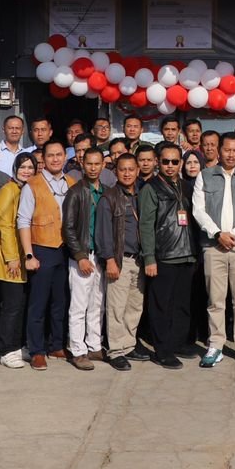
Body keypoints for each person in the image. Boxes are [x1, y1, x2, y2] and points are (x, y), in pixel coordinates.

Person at [193, 133, 235, 367]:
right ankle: (216, 345)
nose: (231, 154)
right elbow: (198, 210)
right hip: (213, 246)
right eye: (227, 150)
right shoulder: (205, 176)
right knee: (216, 299)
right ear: (219, 151)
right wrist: (217, 234)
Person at [140, 142, 197, 369]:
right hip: (164, 256)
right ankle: (162, 350)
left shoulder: (186, 186)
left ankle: (178, 342)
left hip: (187, 254)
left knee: (182, 304)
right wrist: (149, 258)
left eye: (175, 161)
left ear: (181, 163)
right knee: (161, 305)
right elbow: (145, 225)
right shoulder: (151, 188)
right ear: (157, 162)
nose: (170, 166)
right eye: (165, 161)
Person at [18, 141, 74, 369]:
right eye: (50, 155)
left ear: (65, 157)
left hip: (65, 249)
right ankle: (37, 350)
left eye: (59, 155)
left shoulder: (71, 182)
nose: (55, 159)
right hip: (41, 247)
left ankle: (57, 344)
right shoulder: (32, 185)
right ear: (44, 159)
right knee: (38, 303)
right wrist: (29, 255)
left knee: (60, 301)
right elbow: (23, 220)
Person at [98, 153, 146, 371]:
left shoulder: (142, 194)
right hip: (120, 260)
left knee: (134, 306)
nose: (127, 173)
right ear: (115, 172)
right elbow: (104, 232)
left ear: (137, 170)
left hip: (140, 260)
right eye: (122, 169)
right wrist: (109, 260)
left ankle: (129, 344)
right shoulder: (109, 197)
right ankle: (116, 350)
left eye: (131, 169)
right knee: (116, 307)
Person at [63, 148, 105, 371]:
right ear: (82, 165)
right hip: (83, 255)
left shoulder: (106, 191)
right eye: (89, 163)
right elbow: (68, 228)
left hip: (100, 255)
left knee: (97, 304)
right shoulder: (76, 192)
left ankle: (94, 344)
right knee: (79, 306)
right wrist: (79, 256)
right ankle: (78, 350)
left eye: (97, 164)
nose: (93, 167)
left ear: (103, 165)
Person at [0, 153, 33, 368]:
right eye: (22, 167)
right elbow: (4, 226)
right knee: (11, 306)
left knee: (20, 304)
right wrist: (13, 258)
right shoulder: (9, 190)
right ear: (15, 169)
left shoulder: (26, 190)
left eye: (30, 167)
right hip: (10, 258)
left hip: (22, 257)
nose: (26, 171)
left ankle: (16, 345)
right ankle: (6, 349)